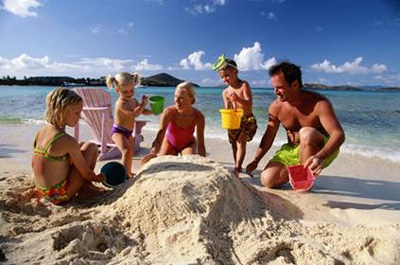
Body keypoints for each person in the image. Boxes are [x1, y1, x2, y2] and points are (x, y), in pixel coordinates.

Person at [246, 61, 345, 188]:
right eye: (274, 87)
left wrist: (320, 157)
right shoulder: (276, 107)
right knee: (267, 180)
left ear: (295, 84)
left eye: (280, 87)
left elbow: (338, 134)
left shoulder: (319, 103)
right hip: (293, 149)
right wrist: (256, 160)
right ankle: (299, 173)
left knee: (306, 133)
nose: (275, 91)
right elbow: (269, 136)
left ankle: (303, 182)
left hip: (321, 150)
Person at [32, 88, 106, 205]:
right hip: (59, 196)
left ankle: (86, 187)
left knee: (81, 145)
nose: (80, 117)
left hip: (42, 191)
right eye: (77, 113)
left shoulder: (41, 133)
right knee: (91, 147)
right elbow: (86, 173)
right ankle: (86, 189)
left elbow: (34, 164)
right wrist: (98, 178)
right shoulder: (66, 140)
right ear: (62, 111)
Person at [212, 54, 258, 176]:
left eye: (227, 75)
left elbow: (249, 103)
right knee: (234, 144)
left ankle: (237, 167)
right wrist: (226, 115)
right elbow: (228, 108)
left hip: (247, 119)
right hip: (234, 121)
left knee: (241, 141)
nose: (225, 79)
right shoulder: (225, 92)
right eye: (222, 77)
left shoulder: (244, 85)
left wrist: (238, 99)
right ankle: (237, 164)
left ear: (235, 71)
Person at [140, 81, 206, 164]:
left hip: (188, 144)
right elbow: (159, 136)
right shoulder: (169, 112)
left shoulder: (198, 116)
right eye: (175, 96)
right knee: (164, 164)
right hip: (169, 143)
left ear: (191, 99)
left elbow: (201, 145)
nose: (176, 101)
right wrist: (153, 153)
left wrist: (203, 162)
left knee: (189, 162)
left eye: (181, 98)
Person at [106, 72, 152, 178]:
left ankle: (128, 172)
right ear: (117, 90)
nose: (129, 93)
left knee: (130, 152)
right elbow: (134, 114)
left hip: (128, 132)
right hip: (118, 132)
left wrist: (154, 112)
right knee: (126, 151)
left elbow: (142, 111)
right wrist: (143, 104)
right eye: (125, 91)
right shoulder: (121, 103)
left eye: (132, 90)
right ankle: (122, 175)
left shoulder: (133, 101)